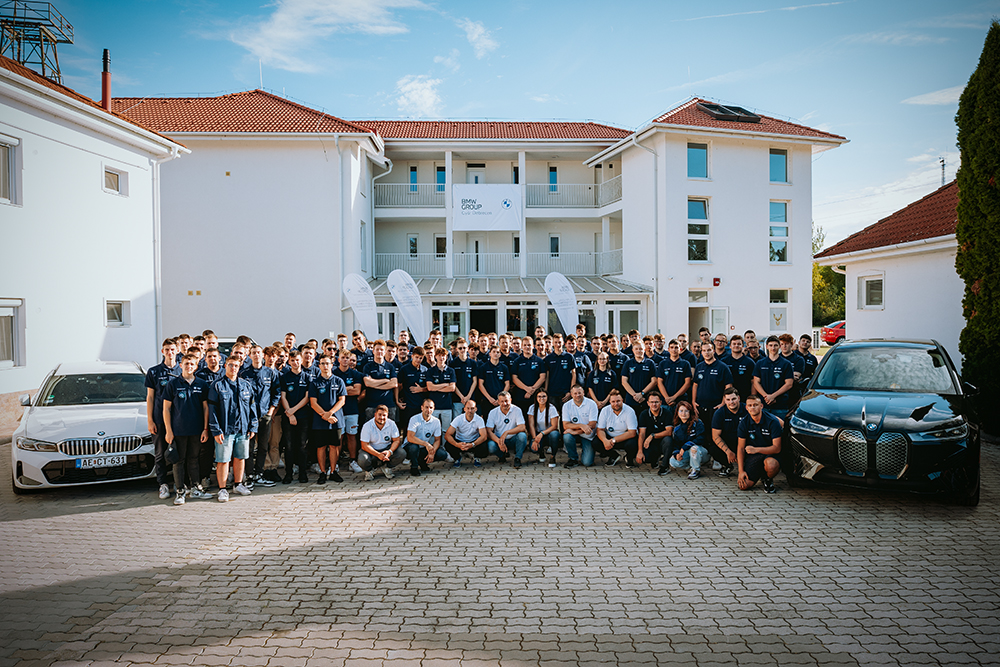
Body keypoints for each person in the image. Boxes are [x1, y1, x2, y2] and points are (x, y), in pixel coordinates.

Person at [162, 352, 212, 504]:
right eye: (186, 364)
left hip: (196, 430)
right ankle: (180, 491)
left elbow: (205, 408)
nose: (189, 366)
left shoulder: (202, 384)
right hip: (179, 430)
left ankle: (196, 488)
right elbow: (166, 409)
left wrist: (205, 429)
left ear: (196, 366)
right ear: (180, 365)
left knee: (194, 459)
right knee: (178, 461)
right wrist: (169, 431)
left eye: (192, 364)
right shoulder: (173, 384)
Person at [208, 356, 258, 502]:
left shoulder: (245, 385)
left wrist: (253, 426)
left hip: (242, 429)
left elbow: (252, 407)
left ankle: (238, 484)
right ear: (225, 366)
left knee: (240, 457)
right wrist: (216, 430)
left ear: (240, 366)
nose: (233, 368)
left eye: (236, 365)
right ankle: (222, 489)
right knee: (223, 460)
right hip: (225, 430)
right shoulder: (217, 386)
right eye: (230, 365)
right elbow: (212, 411)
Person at [240, 344, 280, 488]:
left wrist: (270, 412)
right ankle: (249, 476)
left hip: (265, 416)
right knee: (249, 448)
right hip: (250, 418)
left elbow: (276, 393)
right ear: (249, 356)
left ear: (263, 355)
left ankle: (259, 474)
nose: (256, 355)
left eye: (258, 352)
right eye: (253, 353)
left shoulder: (270, 373)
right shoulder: (244, 374)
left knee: (263, 446)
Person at [146, 338, 180, 499]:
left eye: (172, 349)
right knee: (160, 454)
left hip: (179, 419)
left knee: (179, 453)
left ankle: (181, 484)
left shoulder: (183, 370)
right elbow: (150, 398)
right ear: (162, 351)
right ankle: (163, 484)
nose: (170, 352)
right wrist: (150, 420)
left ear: (178, 350)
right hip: (159, 419)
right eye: (167, 349)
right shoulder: (154, 372)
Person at [309, 355, 347, 484]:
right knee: (321, 447)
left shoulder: (338, 381)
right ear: (319, 366)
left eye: (327, 363)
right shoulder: (314, 383)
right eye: (322, 363)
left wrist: (330, 413)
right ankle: (323, 472)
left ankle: (333, 471)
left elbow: (342, 400)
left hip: (336, 420)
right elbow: (313, 403)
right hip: (320, 421)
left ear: (332, 365)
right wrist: (324, 415)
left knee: (334, 446)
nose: (325, 366)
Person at [737, 394, 782, 494]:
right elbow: (740, 448)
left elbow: (777, 448)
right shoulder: (744, 423)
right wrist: (740, 471)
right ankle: (760, 473)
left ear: (761, 406)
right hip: (754, 457)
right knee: (744, 486)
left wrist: (756, 449)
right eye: (750, 405)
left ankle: (767, 479)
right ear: (746, 407)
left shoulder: (772, 421)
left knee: (771, 465)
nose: (752, 407)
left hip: (770, 454)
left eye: (755, 405)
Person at [279, 349, 311, 484]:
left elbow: (307, 397)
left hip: (303, 415)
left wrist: (294, 410)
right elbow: (283, 396)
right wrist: (289, 412)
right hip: (288, 416)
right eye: (292, 360)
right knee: (289, 445)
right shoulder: (285, 377)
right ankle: (289, 474)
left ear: (301, 360)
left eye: (297, 360)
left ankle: (303, 473)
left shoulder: (307, 377)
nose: (295, 363)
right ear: (289, 361)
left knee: (302, 445)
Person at [333, 349, 365, 474]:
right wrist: (348, 389)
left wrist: (340, 390)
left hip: (352, 410)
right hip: (337, 411)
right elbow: (332, 392)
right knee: (338, 438)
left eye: (348, 358)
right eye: (343, 357)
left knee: (352, 436)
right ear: (338, 359)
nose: (345, 360)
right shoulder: (333, 373)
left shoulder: (356, 374)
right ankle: (335, 463)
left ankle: (352, 461)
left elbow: (357, 391)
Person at [691, 342, 733, 432]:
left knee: (715, 433)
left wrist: (723, 403)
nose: (707, 353)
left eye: (709, 350)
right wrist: (693, 402)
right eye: (704, 350)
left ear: (713, 351)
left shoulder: (722, 367)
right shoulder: (699, 367)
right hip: (700, 407)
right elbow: (695, 385)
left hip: (716, 407)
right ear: (701, 352)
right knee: (702, 433)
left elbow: (728, 387)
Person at [752, 335, 795, 421]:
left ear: (779, 346)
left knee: (779, 431)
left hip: (780, 405)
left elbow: (789, 384)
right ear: (767, 347)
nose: (773, 348)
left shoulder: (786, 364)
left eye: (775, 345)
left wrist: (773, 396)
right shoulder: (760, 363)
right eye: (771, 345)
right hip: (763, 405)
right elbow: (756, 382)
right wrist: (766, 396)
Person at [357, 404, 405, 480]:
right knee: (363, 459)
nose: (382, 418)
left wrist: (390, 451)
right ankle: (369, 470)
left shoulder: (392, 424)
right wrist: (378, 454)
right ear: (375, 415)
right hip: (372, 450)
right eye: (379, 415)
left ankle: (387, 467)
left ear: (387, 416)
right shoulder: (367, 425)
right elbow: (364, 445)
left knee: (401, 453)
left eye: (384, 415)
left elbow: (396, 440)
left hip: (387, 448)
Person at [404, 397, 448, 476]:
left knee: (442, 454)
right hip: (410, 446)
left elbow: (437, 440)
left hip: (424, 448)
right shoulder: (414, 419)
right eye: (426, 407)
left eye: (431, 407)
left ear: (433, 409)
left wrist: (432, 452)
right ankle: (414, 467)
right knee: (414, 448)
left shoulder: (436, 421)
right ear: (422, 408)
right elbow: (410, 437)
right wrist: (426, 444)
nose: (428, 410)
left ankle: (422, 462)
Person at [710, 387, 748, 477]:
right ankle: (727, 465)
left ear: (738, 398)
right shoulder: (719, 413)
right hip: (729, 443)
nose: (731, 402)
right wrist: (728, 452)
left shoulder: (747, 409)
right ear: (724, 400)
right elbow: (715, 436)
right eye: (728, 400)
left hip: (745, 443)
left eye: (733, 399)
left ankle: (747, 466)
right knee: (713, 448)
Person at [667, 401, 709, 480]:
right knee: (672, 461)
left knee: (694, 448)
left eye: (686, 411)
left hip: (701, 452)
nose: (683, 413)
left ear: (690, 412)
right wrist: (677, 454)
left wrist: (685, 447)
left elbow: (701, 438)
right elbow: (676, 444)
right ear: (677, 413)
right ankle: (690, 466)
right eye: (681, 411)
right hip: (688, 454)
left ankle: (696, 470)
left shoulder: (697, 423)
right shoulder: (677, 428)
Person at [596, 390, 639, 467]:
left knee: (632, 444)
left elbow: (632, 433)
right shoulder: (605, 410)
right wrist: (605, 441)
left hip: (625, 438)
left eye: (618, 401)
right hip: (610, 437)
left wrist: (613, 440)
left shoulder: (629, 411)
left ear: (622, 401)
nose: (616, 404)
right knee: (595, 442)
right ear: (610, 402)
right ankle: (614, 456)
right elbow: (600, 430)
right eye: (613, 401)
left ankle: (629, 458)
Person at [561, 384, 599, 468]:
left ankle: (587, 452)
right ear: (571, 394)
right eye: (575, 393)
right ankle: (573, 458)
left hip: (588, 435)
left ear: (583, 393)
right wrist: (581, 425)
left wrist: (575, 432)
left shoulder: (592, 404)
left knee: (587, 463)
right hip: (578, 432)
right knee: (567, 436)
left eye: (579, 393)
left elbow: (592, 425)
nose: (577, 395)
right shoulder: (566, 405)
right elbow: (566, 425)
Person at [486, 391, 528, 467]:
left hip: (513, 439)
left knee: (522, 436)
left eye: (506, 401)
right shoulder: (493, 412)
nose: (504, 403)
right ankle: (502, 456)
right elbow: (488, 431)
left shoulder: (517, 410)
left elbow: (522, 427)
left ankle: (517, 458)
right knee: (491, 446)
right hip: (499, 439)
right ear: (498, 402)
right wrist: (499, 441)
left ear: (511, 400)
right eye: (502, 401)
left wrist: (506, 432)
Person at [444, 399, 490, 467]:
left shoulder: (479, 419)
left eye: (472, 408)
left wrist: (472, 444)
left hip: (473, 442)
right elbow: (447, 435)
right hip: (460, 441)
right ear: (464, 409)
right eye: (468, 408)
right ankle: (457, 458)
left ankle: (477, 457)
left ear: (476, 409)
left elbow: (484, 436)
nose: (470, 411)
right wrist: (457, 445)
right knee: (448, 445)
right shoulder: (458, 419)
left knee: (484, 446)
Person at [363, 340, 398, 423]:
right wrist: (385, 381)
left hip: (388, 405)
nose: (379, 351)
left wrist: (374, 383)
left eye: (382, 349)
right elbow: (367, 383)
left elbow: (394, 383)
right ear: (373, 351)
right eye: (377, 349)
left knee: (389, 432)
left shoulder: (390, 367)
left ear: (385, 351)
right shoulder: (368, 367)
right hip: (372, 405)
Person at [637, 392, 672, 472]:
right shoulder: (644, 414)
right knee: (645, 458)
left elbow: (669, 432)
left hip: (662, 442)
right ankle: (655, 458)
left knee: (668, 440)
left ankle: (664, 466)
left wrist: (652, 435)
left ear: (660, 402)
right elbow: (642, 433)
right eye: (652, 402)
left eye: (656, 402)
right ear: (648, 403)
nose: (654, 404)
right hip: (650, 443)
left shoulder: (667, 413)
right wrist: (640, 451)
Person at [527, 389, 560, 468]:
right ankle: (541, 454)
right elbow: (531, 425)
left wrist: (542, 434)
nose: (542, 398)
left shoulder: (552, 408)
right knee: (533, 448)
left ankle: (553, 456)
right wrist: (535, 439)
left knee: (555, 434)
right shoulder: (532, 408)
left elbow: (554, 426)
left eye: (544, 396)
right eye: (539, 396)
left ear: (547, 397)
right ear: (536, 398)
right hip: (538, 434)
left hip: (549, 434)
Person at [621, 340, 658, 412]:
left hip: (645, 399)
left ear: (644, 349)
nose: (638, 351)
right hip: (631, 400)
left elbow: (654, 381)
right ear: (633, 350)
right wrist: (635, 395)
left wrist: (642, 393)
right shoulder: (628, 363)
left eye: (640, 349)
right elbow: (624, 381)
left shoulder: (650, 363)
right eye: (636, 349)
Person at [511, 336, 545, 413]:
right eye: (525, 345)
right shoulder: (517, 361)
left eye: (529, 345)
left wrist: (531, 390)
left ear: (533, 346)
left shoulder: (539, 361)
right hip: (520, 396)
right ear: (522, 346)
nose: (527, 347)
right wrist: (526, 389)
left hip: (536, 396)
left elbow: (542, 377)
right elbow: (514, 378)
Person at [425, 347, 457, 427]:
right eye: (439, 355)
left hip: (447, 405)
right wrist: (445, 385)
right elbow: (430, 387)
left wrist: (436, 387)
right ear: (435, 356)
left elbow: (452, 388)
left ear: (446, 357)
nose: (441, 358)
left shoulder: (451, 371)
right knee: (432, 428)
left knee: (445, 430)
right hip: (434, 406)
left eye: (443, 356)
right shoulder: (430, 371)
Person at [657, 339, 693, 408]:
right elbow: (659, 382)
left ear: (680, 349)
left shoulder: (685, 364)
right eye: (672, 347)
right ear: (668, 349)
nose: (674, 350)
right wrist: (667, 398)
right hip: (665, 401)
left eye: (676, 347)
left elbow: (687, 383)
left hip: (681, 402)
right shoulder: (663, 363)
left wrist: (674, 397)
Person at [396, 346, 427, 425]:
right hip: (408, 405)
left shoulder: (425, 370)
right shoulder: (404, 369)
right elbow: (398, 385)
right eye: (416, 357)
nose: (418, 360)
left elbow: (429, 387)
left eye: (420, 358)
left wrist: (422, 389)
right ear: (412, 356)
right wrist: (397, 399)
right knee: (407, 428)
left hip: (421, 405)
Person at [449, 338, 479, 421]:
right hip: (457, 399)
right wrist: (462, 397)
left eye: (464, 348)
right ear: (457, 349)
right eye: (460, 348)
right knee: (457, 422)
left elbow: (475, 381)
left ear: (468, 349)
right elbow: (452, 383)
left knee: (472, 421)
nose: (462, 350)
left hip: (470, 398)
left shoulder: (473, 363)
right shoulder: (453, 363)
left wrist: (468, 396)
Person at [544, 335, 576, 408]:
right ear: (552, 343)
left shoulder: (569, 357)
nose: (557, 344)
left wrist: (571, 391)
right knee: (553, 415)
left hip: (565, 392)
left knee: (565, 416)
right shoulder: (548, 358)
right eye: (555, 342)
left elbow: (574, 374)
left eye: (559, 342)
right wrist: (546, 391)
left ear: (563, 343)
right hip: (552, 392)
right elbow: (547, 376)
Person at [721, 335, 755, 402]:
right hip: (728, 398)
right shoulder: (723, 361)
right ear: (730, 346)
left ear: (743, 346)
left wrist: (753, 397)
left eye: (739, 344)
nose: (736, 346)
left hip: (745, 397)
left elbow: (753, 382)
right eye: (734, 344)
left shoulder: (750, 362)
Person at [477, 345, 510, 410]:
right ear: (490, 354)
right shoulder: (483, 367)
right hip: (487, 400)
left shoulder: (504, 368)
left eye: (497, 352)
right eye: (494, 352)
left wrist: (501, 399)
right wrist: (489, 398)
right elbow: (480, 384)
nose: (495, 354)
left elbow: (507, 384)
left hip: (501, 402)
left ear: (500, 354)